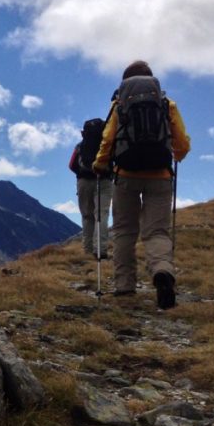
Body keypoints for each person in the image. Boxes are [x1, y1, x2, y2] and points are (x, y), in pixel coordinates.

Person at [92, 61, 190, 309]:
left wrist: (100, 164)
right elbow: (182, 142)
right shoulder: (166, 105)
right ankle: (162, 271)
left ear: (125, 82)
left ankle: (125, 286)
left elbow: (107, 140)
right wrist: (176, 155)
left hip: (126, 175)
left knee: (125, 231)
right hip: (160, 176)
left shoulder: (120, 105)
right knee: (157, 232)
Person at [68, 118, 112, 258]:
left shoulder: (80, 146)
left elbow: (71, 165)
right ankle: (101, 250)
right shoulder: (108, 145)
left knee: (87, 216)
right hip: (104, 181)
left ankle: (87, 250)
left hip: (84, 182)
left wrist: (81, 175)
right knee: (102, 214)